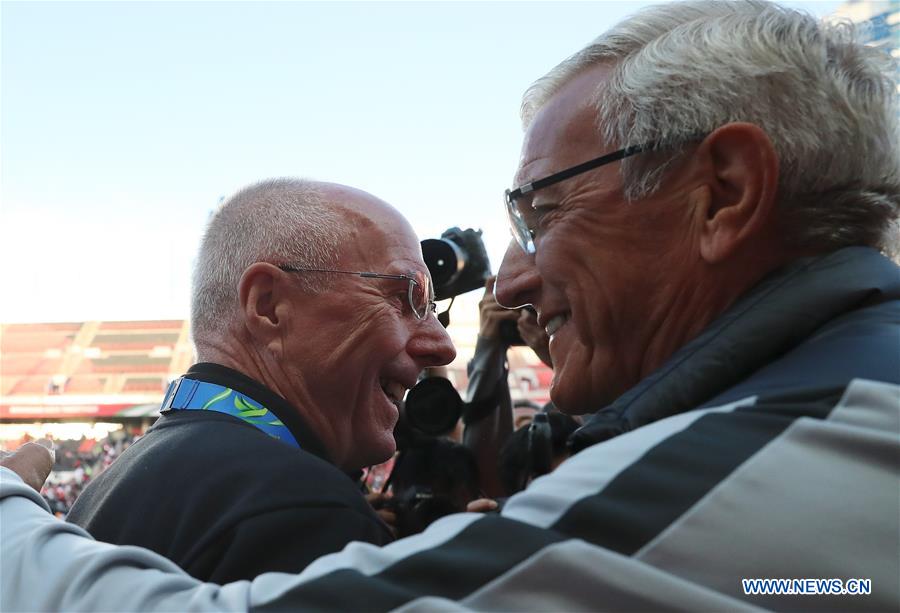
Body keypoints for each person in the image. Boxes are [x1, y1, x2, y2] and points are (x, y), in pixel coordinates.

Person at [1, 2, 899, 610]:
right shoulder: (817, 417)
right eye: (404, 298)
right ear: (266, 304)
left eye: (543, 210)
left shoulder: (782, 442)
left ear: (725, 193)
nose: (503, 287)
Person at [65, 178, 456, 582]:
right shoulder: (301, 509)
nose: (442, 346)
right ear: (269, 305)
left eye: (431, 308)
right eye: (405, 298)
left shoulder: (113, 483)